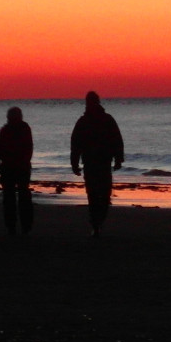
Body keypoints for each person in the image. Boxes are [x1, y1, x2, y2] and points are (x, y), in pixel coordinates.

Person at [69, 90, 125, 237]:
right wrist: (74, 163)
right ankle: (96, 223)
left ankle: (97, 222)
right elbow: (76, 143)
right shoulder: (86, 121)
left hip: (101, 163)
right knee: (96, 195)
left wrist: (119, 158)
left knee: (100, 195)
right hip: (94, 163)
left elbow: (116, 140)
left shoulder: (105, 120)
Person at [0, 106, 34, 236]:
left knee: (11, 197)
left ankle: (15, 226)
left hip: (12, 167)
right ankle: (22, 226)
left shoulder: (7, 130)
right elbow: (29, 148)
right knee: (19, 197)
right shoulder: (22, 129)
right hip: (17, 167)